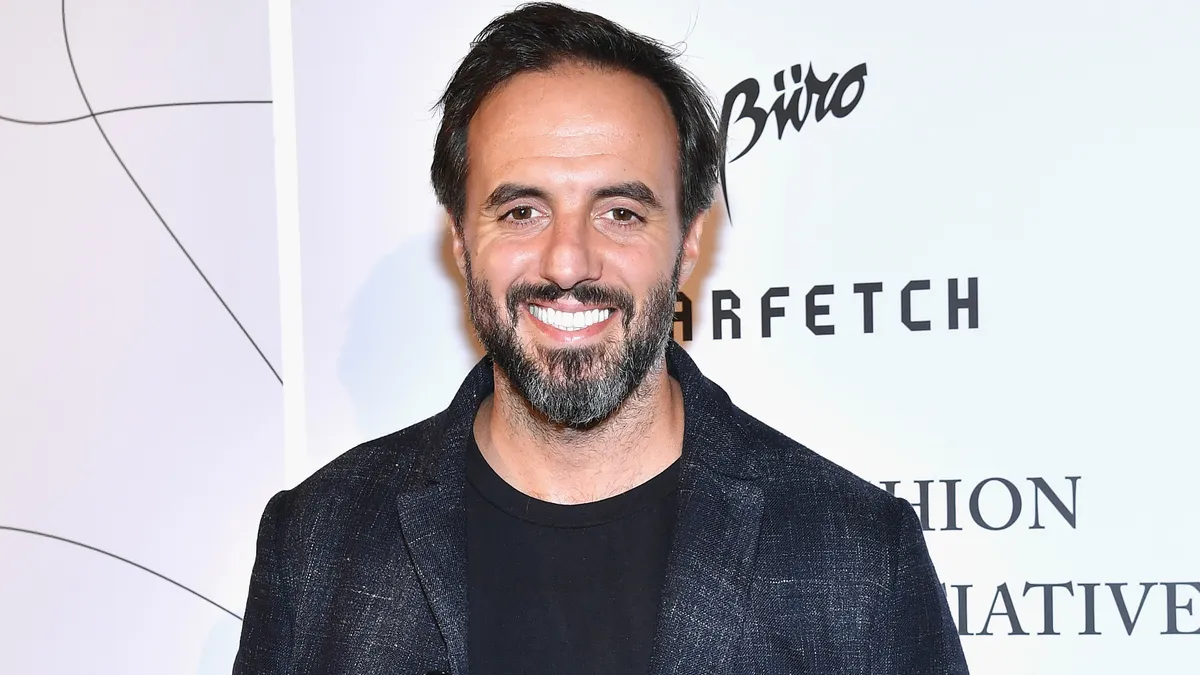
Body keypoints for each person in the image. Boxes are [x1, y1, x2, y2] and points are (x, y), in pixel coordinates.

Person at [233, 3, 969, 674]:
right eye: (522, 211)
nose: (568, 262)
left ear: (687, 242)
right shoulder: (320, 542)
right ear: (461, 240)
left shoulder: (858, 556)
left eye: (620, 212)